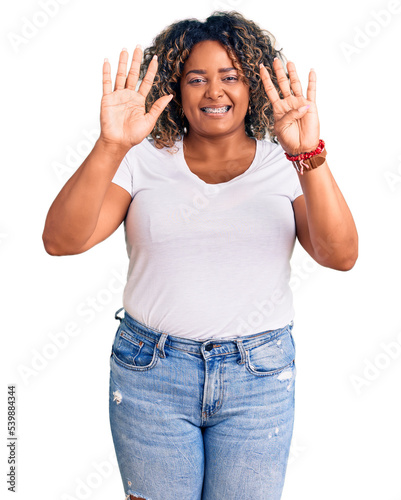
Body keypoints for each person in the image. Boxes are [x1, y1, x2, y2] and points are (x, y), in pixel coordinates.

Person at [42, 10, 358, 500]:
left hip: (259, 377)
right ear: (175, 89)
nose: (214, 92)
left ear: (252, 85)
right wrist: (109, 145)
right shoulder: (141, 158)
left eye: (230, 77)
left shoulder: (286, 162)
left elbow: (340, 255)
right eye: (197, 79)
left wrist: (309, 154)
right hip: (152, 374)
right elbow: (62, 240)